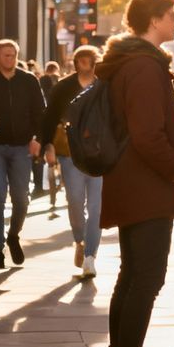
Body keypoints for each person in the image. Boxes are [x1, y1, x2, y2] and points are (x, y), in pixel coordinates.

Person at [101, 0, 174, 347]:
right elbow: (146, 134)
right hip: (147, 187)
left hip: (134, 185)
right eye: (172, 15)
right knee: (147, 278)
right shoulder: (143, 67)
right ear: (154, 20)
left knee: (132, 276)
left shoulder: (136, 62)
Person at [38, 47, 103, 277]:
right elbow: (50, 116)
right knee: (75, 201)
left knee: (96, 207)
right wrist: (47, 145)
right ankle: (80, 240)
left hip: (99, 154)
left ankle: (90, 257)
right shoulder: (64, 87)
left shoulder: (104, 85)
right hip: (70, 152)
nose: (85, 64)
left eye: (90, 60)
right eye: (81, 60)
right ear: (75, 63)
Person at [0, 39, 46, 270]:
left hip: (21, 148)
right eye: (6, 55)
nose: (10, 59)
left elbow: (40, 113)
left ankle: (13, 234)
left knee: (21, 199)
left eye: (13, 55)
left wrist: (38, 139)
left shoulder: (28, 80)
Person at [35, 61, 59, 206]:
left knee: (43, 158)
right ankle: (58, 184)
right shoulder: (59, 82)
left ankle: (46, 188)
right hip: (57, 124)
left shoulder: (41, 81)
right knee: (58, 157)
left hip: (44, 123)